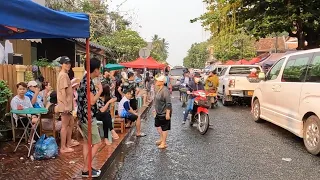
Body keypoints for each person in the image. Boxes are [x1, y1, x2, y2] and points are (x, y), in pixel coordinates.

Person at [77, 58, 103, 177]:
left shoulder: (85, 80)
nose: (100, 71)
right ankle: (86, 169)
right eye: (99, 68)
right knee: (97, 143)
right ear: (96, 70)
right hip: (88, 117)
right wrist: (100, 91)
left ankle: (86, 168)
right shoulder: (88, 82)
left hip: (83, 116)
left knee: (87, 143)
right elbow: (92, 101)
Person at [56, 56, 77, 153]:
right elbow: (63, 91)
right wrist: (65, 105)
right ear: (62, 64)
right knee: (65, 126)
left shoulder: (65, 74)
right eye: (66, 63)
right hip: (65, 104)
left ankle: (68, 143)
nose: (68, 65)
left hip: (68, 104)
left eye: (69, 63)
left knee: (70, 123)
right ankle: (63, 147)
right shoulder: (63, 75)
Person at [154, 75, 172, 149]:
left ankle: (164, 143)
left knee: (164, 128)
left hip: (164, 112)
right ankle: (161, 139)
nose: (156, 81)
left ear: (162, 82)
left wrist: (167, 113)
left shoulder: (165, 90)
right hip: (158, 111)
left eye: (157, 80)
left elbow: (168, 103)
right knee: (158, 126)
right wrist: (155, 110)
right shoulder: (159, 89)